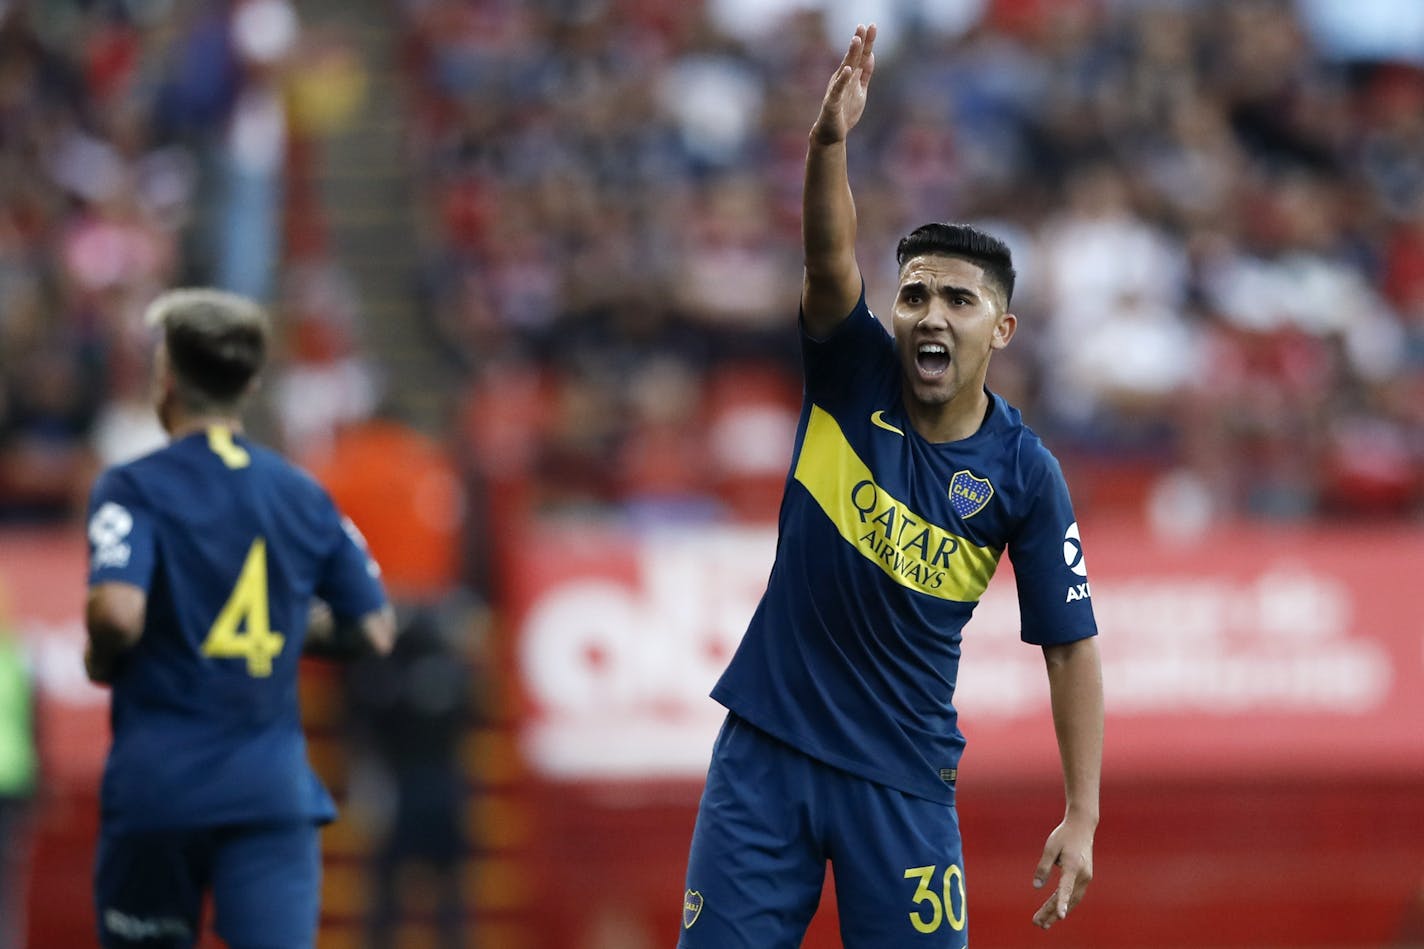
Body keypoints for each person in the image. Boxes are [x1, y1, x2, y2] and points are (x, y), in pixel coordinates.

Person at [678, 24, 1104, 948]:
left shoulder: (1025, 473)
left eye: (959, 300)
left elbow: (1071, 646)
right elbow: (830, 262)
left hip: (902, 780)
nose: (930, 315)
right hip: (767, 751)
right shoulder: (851, 372)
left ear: (1003, 328)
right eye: (915, 294)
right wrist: (828, 145)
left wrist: (1083, 810)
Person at [83, 288, 397, 948]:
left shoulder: (132, 486)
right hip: (269, 793)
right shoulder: (302, 492)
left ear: (165, 378)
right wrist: (283, 627)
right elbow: (373, 627)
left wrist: (102, 657)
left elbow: (119, 612)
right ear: (252, 382)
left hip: (159, 788)